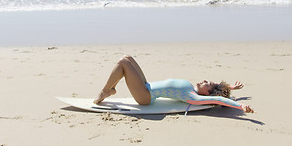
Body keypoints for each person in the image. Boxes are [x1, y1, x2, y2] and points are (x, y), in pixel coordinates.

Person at [94, 55, 254, 113]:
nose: (205, 80)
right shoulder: (191, 87)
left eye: (208, 84)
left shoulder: (193, 97)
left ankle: (106, 90)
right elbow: (219, 92)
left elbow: (219, 100)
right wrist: (230, 87)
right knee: (127, 58)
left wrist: (240, 107)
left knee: (123, 63)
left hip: (145, 96)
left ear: (207, 93)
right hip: (146, 86)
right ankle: (108, 89)